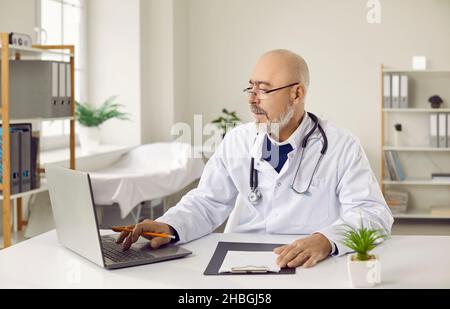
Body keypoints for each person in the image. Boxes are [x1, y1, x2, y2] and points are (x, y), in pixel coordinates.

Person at [117, 49, 393, 268]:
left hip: (310, 264)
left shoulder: (341, 146)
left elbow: (373, 214)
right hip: (238, 259)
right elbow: (207, 201)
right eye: (250, 88)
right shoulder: (238, 140)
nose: (252, 99)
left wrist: (325, 240)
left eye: (264, 90)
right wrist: (170, 225)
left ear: (297, 93)